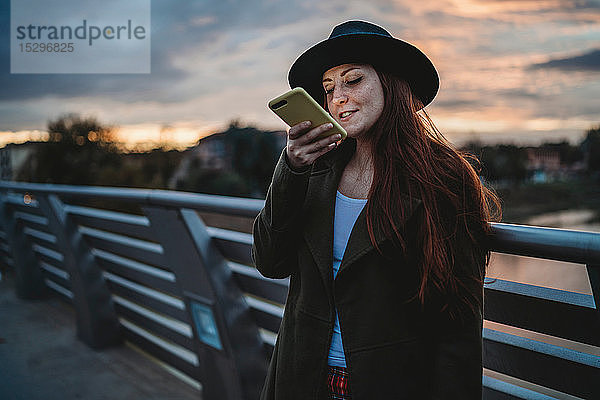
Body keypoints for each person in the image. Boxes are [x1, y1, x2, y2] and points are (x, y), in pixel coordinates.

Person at [252, 20, 500, 400]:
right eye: (329, 88)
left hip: (393, 384)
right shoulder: (314, 169)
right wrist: (291, 169)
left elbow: (458, 322)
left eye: (353, 81)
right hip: (300, 379)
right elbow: (270, 261)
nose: (337, 98)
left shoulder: (444, 178)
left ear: (391, 83)